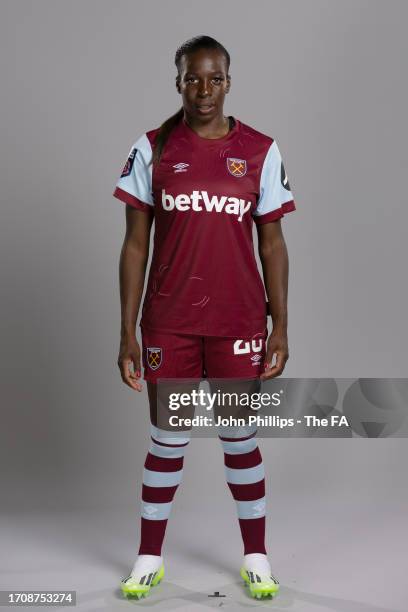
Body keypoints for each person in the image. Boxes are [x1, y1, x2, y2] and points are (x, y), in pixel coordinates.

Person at [113, 35, 296, 600]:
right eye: (193, 78)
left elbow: (273, 244)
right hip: (168, 321)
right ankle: (148, 558)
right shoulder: (152, 149)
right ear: (178, 82)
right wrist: (127, 332)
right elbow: (135, 246)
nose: (204, 89)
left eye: (215, 78)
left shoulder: (262, 150)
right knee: (168, 438)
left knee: (239, 437)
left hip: (239, 321)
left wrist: (280, 325)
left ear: (229, 81)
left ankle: (257, 557)